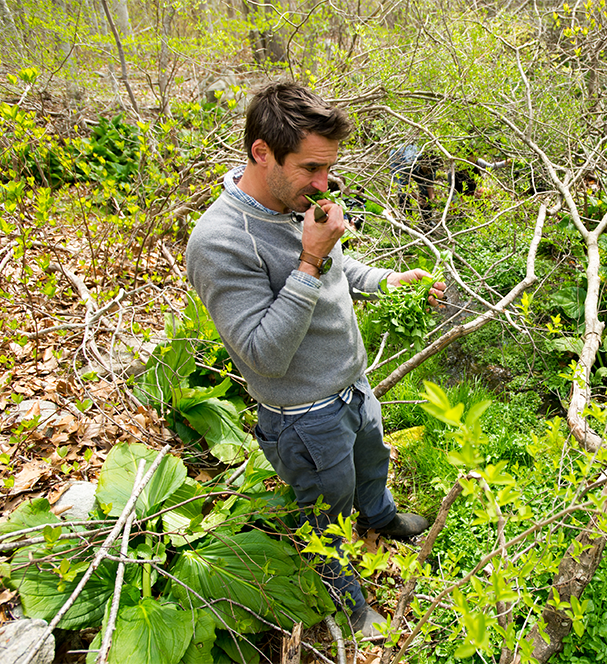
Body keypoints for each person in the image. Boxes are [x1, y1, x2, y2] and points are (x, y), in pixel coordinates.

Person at [185, 82, 444, 638]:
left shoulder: (300, 201)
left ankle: (381, 518)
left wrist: (388, 280)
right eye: (311, 169)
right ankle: (348, 607)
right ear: (262, 153)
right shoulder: (219, 241)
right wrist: (309, 257)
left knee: (372, 468)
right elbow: (263, 354)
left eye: (329, 168)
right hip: (303, 417)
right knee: (326, 517)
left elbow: (337, 273)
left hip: (353, 386)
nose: (324, 186)